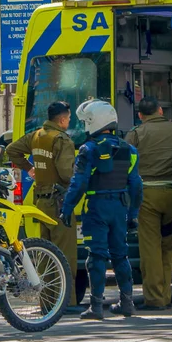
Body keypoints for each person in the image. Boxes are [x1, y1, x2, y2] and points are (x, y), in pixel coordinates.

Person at [60, 99, 143, 320]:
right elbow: (136, 184)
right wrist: (133, 214)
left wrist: (67, 208)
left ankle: (96, 307)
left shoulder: (89, 149)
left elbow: (79, 182)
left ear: (94, 122)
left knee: (96, 256)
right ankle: (127, 303)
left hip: (96, 207)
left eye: (87, 121)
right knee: (120, 255)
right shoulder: (129, 150)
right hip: (120, 207)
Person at [5, 101, 81, 314]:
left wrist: (30, 168)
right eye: (68, 118)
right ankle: (68, 302)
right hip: (60, 202)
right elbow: (66, 174)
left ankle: (48, 303)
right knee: (65, 254)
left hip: (41, 202)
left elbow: (12, 150)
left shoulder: (36, 136)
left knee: (46, 254)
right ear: (63, 119)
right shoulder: (62, 140)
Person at [125, 96, 172, 311]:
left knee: (150, 248)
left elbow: (125, 163)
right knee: (167, 246)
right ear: (160, 111)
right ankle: (166, 296)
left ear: (140, 116)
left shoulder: (136, 134)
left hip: (148, 197)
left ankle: (154, 298)